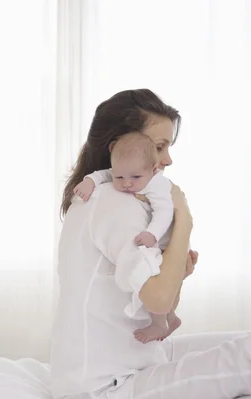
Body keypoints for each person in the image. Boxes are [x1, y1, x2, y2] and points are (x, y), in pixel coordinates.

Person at [50, 88, 251, 399]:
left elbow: (159, 305)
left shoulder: (107, 197)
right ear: (118, 146)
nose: (168, 159)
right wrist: (184, 218)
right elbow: (159, 301)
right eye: (160, 146)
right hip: (105, 387)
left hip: (128, 361)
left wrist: (177, 272)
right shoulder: (113, 203)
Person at [71, 133, 182, 344]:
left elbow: (165, 212)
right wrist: (88, 181)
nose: (127, 184)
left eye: (135, 178)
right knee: (155, 274)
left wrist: (153, 233)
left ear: (153, 169)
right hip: (160, 242)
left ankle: (160, 323)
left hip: (167, 239)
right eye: (120, 178)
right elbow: (103, 174)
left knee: (154, 276)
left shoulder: (158, 185)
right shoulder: (126, 172)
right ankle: (170, 318)